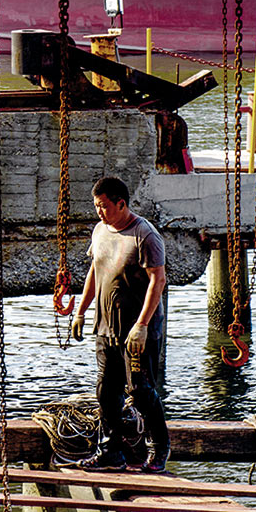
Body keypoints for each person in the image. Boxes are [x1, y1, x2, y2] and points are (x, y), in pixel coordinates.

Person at [68, 176, 169, 473]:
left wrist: (142, 325)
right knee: (106, 391)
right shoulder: (100, 231)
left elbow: (158, 279)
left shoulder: (145, 235)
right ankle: (111, 452)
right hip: (105, 328)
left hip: (136, 332)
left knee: (140, 391)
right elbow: (95, 271)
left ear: (121, 203)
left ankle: (159, 447)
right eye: (96, 206)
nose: (99, 212)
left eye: (104, 206)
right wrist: (81, 311)